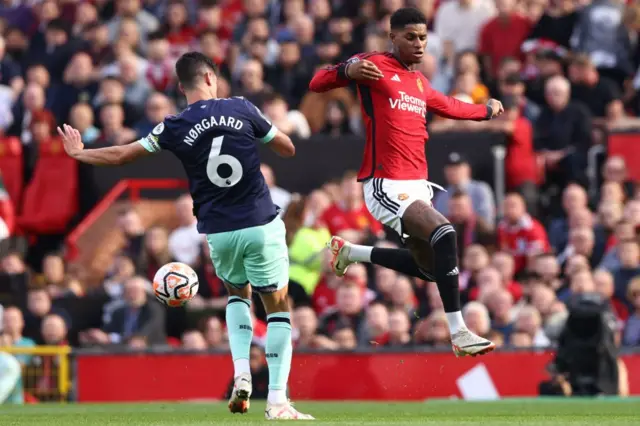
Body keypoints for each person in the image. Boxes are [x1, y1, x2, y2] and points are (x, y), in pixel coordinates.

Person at [56, 52, 312, 420]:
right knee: (277, 309)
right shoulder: (241, 107)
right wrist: (262, 133)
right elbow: (287, 147)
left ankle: (241, 372)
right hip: (259, 221)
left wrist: (80, 152)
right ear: (211, 77)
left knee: (237, 295)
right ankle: (276, 401)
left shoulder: (172, 125)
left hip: (218, 231)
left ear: (181, 86)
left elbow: (122, 155)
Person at [309, 7, 503, 357]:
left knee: (432, 270)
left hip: (418, 185)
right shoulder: (374, 65)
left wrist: (486, 111)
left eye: (423, 38)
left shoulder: (418, 82)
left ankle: (352, 252)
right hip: (385, 183)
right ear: (393, 36)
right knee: (445, 234)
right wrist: (345, 70)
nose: (418, 44)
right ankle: (458, 332)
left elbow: (449, 106)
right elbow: (318, 82)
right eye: (410, 37)